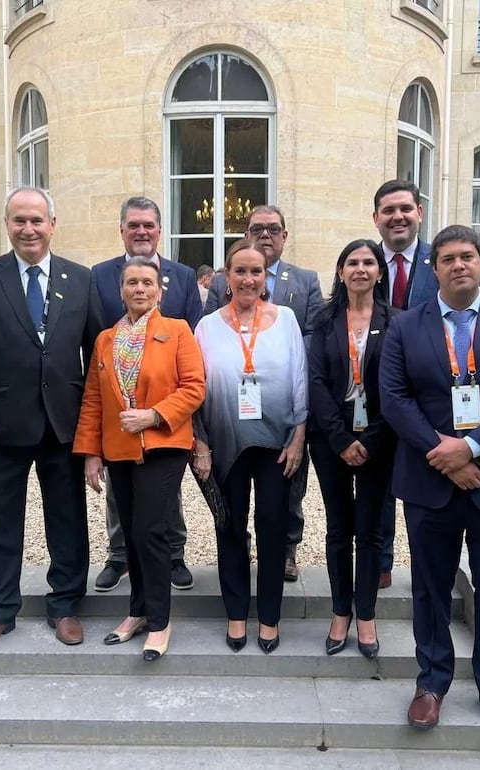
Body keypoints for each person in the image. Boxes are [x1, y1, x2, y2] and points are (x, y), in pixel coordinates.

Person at [379, 224, 480, 736]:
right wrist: (445, 454)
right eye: (448, 258)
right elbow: (394, 398)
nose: (458, 265)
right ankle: (431, 683)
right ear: (435, 267)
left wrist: (470, 448)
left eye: (468, 256)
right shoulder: (407, 326)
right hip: (430, 482)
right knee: (430, 588)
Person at [0, 186, 102, 654]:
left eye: (37, 220)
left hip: (64, 425)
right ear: (7, 224)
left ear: (52, 225)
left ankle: (65, 606)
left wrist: (95, 430)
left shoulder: (81, 279)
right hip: (0, 427)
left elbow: (96, 356)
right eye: (19, 220)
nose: (29, 228)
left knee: (68, 518)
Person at [75, 258, 205, 661]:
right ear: (121, 290)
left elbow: (194, 386)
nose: (140, 289)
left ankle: (160, 621)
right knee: (130, 531)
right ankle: (137, 611)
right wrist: (90, 452)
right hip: (118, 448)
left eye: (148, 282)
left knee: (151, 531)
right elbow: (94, 399)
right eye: (132, 282)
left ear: (160, 290)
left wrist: (154, 415)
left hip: (163, 445)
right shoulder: (105, 340)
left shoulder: (178, 331)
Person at [194, 239, 307, 654]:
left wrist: (299, 435)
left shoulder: (288, 320)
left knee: (273, 527)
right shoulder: (206, 327)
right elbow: (195, 387)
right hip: (226, 442)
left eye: (255, 271)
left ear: (266, 277)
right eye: (239, 270)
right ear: (225, 275)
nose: (247, 279)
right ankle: (237, 612)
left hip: (278, 443)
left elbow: (300, 378)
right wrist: (199, 442)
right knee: (230, 526)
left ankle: (271, 617)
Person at [91, 197, 203, 593]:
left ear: (160, 230)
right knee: (120, 491)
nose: (142, 231)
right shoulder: (101, 274)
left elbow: (192, 334)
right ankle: (119, 555)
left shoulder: (184, 276)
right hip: (117, 401)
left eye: (149, 225)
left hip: (166, 401)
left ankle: (173, 552)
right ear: (122, 229)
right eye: (134, 224)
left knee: (164, 488)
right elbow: (95, 334)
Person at [205, 205, 322, 582]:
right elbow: (207, 347)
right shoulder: (215, 310)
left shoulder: (303, 282)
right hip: (229, 424)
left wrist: (299, 422)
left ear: (284, 236)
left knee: (285, 494)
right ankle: (241, 561)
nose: (266, 234)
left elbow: (311, 341)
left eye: (274, 228)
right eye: (258, 228)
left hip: (279, 414)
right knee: (234, 510)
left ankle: (287, 549)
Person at [308, 240, 397, 659]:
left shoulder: (396, 322)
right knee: (339, 529)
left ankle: (366, 615)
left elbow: (400, 388)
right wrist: (342, 440)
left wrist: (372, 438)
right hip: (331, 440)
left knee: (372, 531)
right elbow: (316, 383)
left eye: (368, 262)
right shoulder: (324, 320)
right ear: (340, 271)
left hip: (380, 438)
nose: (360, 269)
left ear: (379, 271)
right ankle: (340, 610)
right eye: (352, 262)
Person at [373, 180, 440, 589]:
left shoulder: (442, 259)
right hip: (378, 396)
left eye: (405, 209)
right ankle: (381, 561)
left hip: (431, 396)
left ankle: (428, 567)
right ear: (376, 218)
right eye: (388, 210)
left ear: (419, 212)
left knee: (428, 483)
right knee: (379, 484)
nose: (397, 217)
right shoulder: (363, 260)